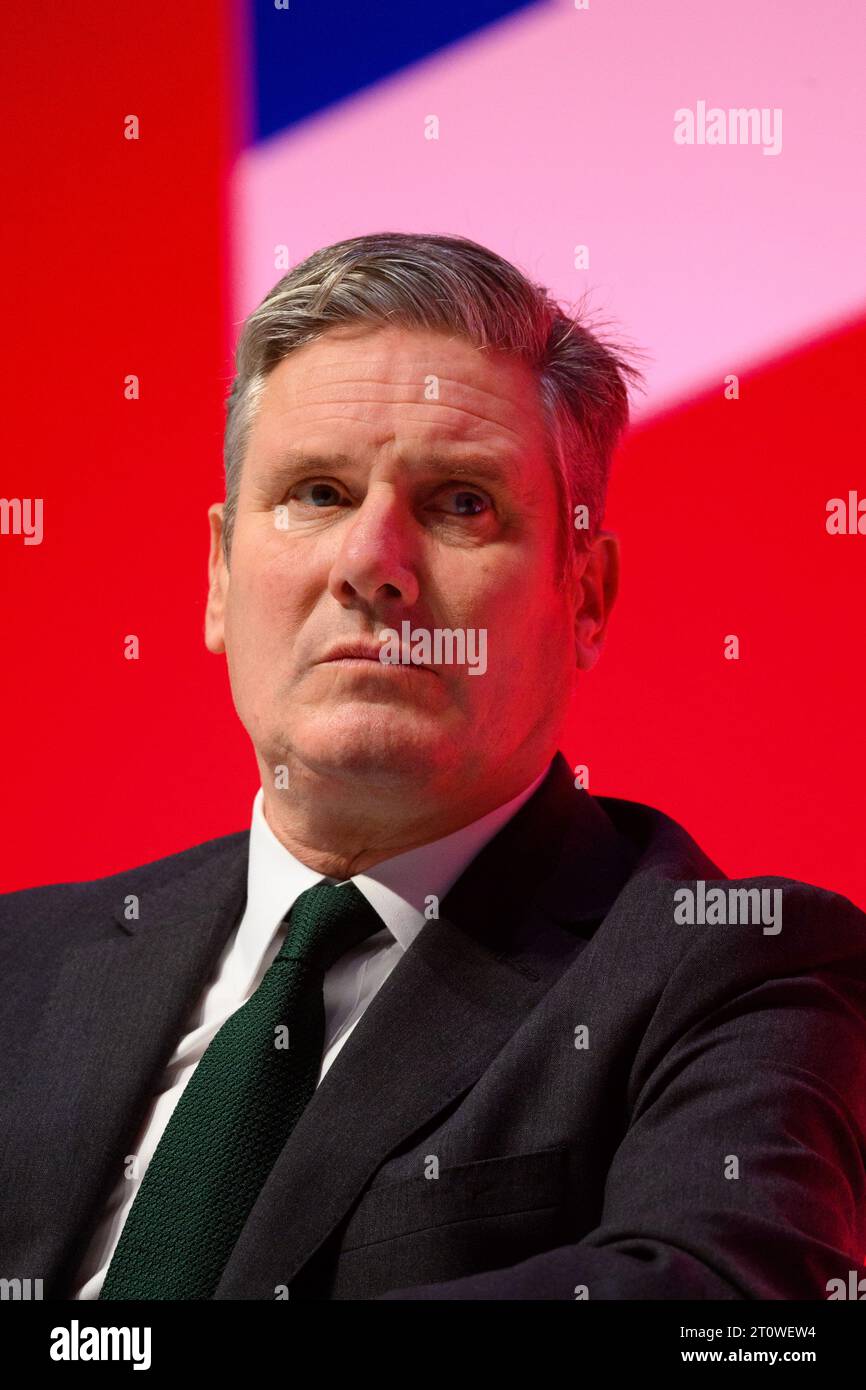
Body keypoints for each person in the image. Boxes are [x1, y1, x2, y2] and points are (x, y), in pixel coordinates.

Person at [2, 232, 865, 1301]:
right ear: (220, 576)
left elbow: (723, 1303)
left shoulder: (734, 974)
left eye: (460, 503)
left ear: (584, 595)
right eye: (316, 493)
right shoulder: (18, 965)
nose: (371, 564)